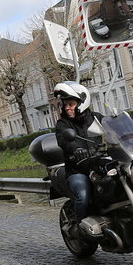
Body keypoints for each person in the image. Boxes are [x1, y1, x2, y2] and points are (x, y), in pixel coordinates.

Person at [54, 81, 104, 236]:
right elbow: (64, 140)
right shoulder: (63, 123)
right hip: (77, 170)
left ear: (82, 103)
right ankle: (82, 230)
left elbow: (113, 127)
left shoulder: (96, 118)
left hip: (97, 165)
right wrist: (77, 149)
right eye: (65, 104)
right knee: (82, 194)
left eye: (71, 104)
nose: (67, 107)